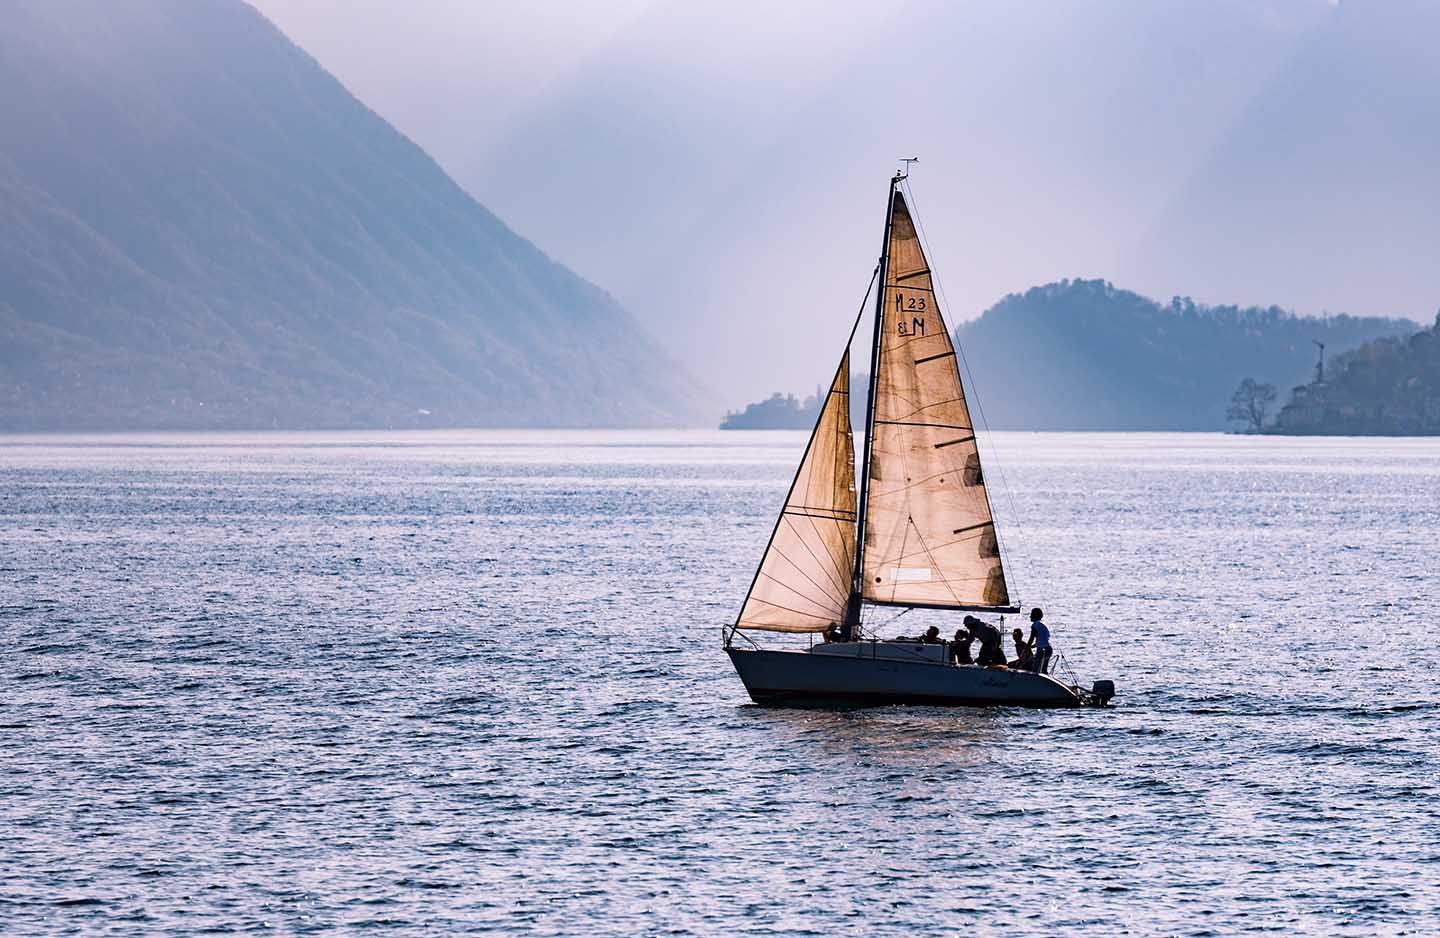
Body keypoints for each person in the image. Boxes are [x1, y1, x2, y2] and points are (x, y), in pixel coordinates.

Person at [1027, 607, 1052, 673]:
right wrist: (1032, 646)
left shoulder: (1034, 625)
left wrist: (1025, 649)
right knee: (1044, 671)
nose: (1030, 616)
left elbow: (1031, 639)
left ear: (1036, 616)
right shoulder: (1043, 625)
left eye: (1032, 614)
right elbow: (1042, 639)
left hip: (1042, 651)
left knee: (1035, 671)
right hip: (1048, 649)